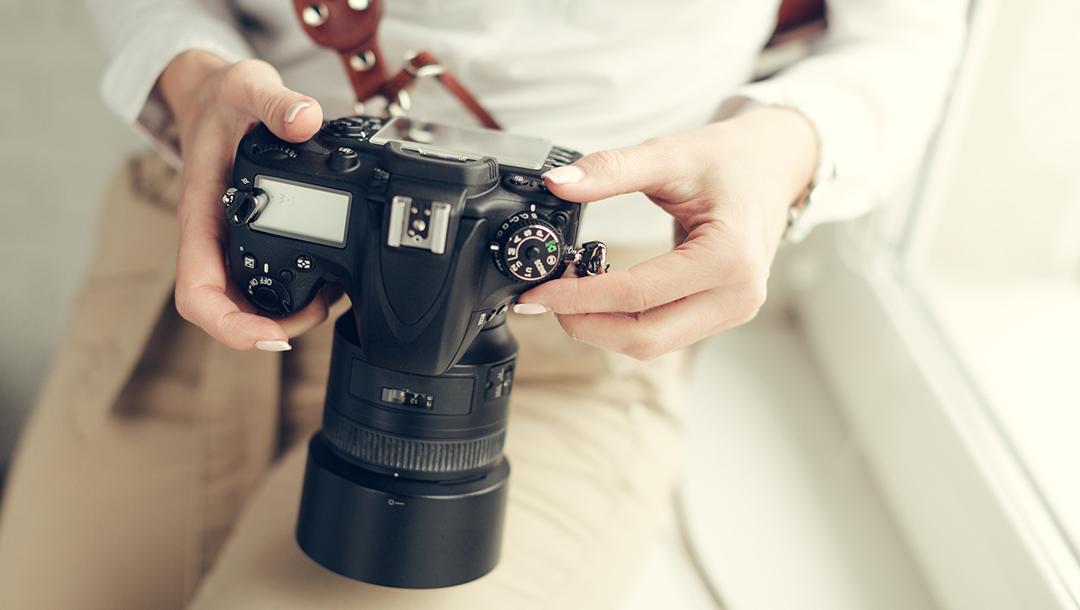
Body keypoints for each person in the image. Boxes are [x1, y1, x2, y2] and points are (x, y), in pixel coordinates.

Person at [0, 1, 968, 608]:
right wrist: (189, 70)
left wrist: (786, 150)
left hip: (555, 336)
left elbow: (908, 32)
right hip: (215, 255)